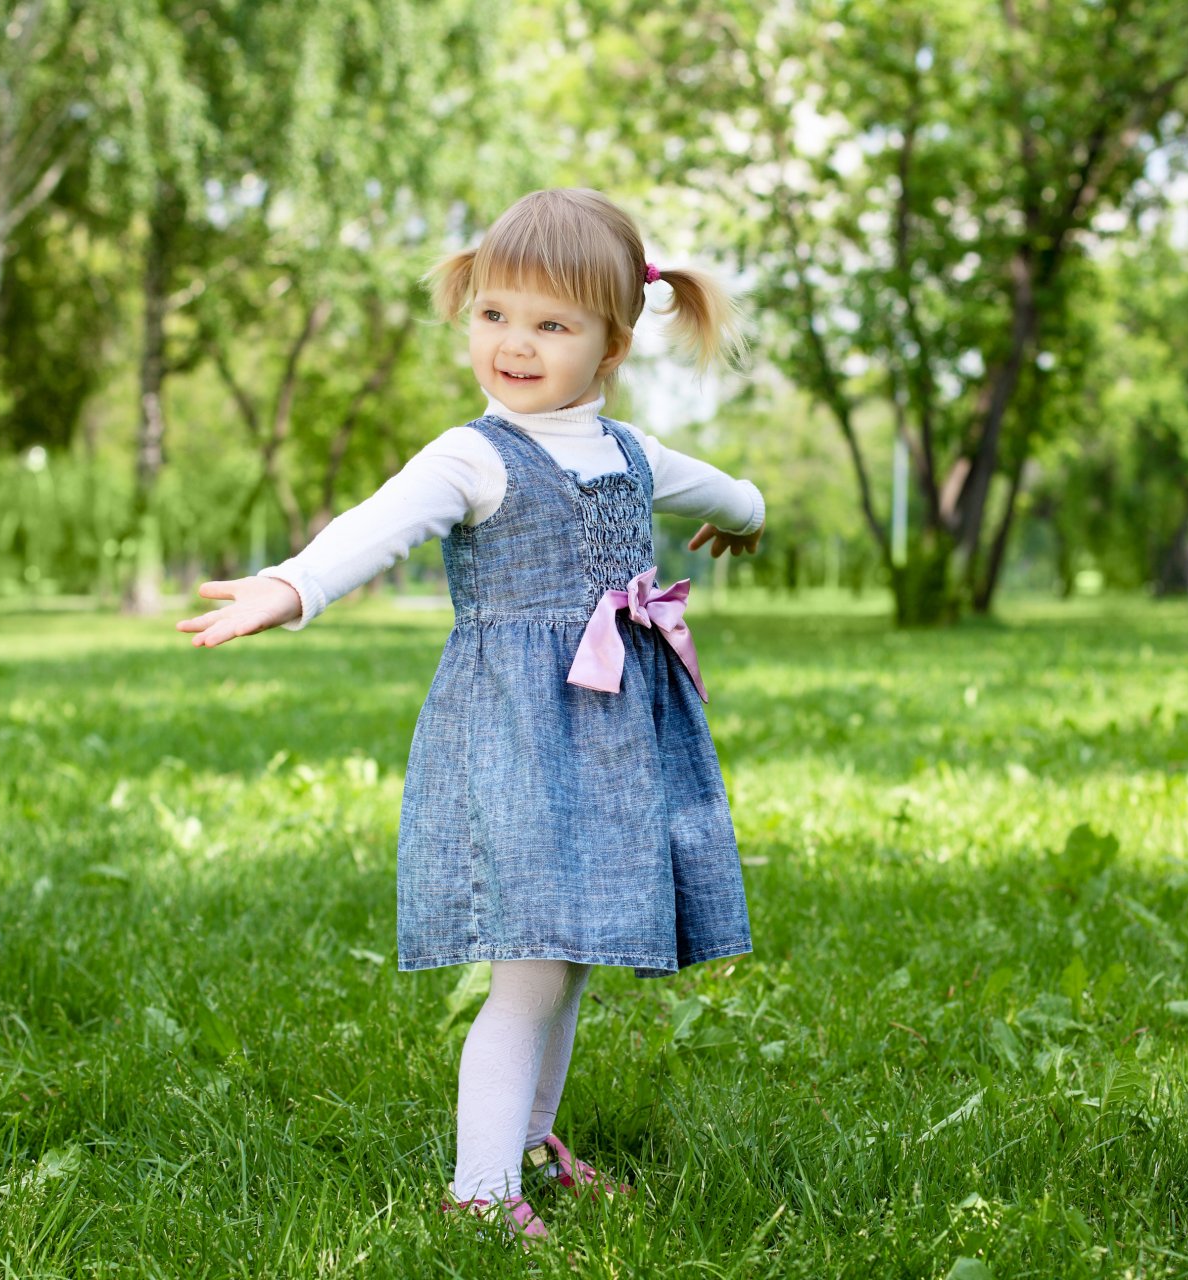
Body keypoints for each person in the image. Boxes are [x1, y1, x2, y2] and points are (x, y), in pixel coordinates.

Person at [176, 188, 766, 1243]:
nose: (516, 344)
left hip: (613, 745)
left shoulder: (628, 454)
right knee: (530, 969)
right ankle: (481, 1187)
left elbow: (727, 491)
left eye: (551, 324)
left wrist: (748, 520)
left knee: (570, 953)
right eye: (495, 314)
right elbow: (377, 523)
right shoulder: (477, 455)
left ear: (611, 344)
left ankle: (533, 1143)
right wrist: (291, 586)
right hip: (520, 747)